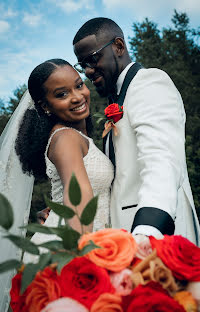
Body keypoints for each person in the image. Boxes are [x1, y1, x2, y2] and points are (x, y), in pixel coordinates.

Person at [73, 17, 200, 252]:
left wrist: (147, 232)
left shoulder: (149, 82)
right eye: (82, 65)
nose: (88, 71)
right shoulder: (120, 98)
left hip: (157, 242)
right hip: (121, 239)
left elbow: (161, 161)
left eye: (93, 59)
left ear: (119, 47)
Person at [0, 58, 114, 310]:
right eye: (62, 94)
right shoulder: (65, 138)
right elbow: (80, 199)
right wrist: (79, 266)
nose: (77, 96)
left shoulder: (74, 136)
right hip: (70, 248)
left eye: (78, 85)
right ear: (46, 105)